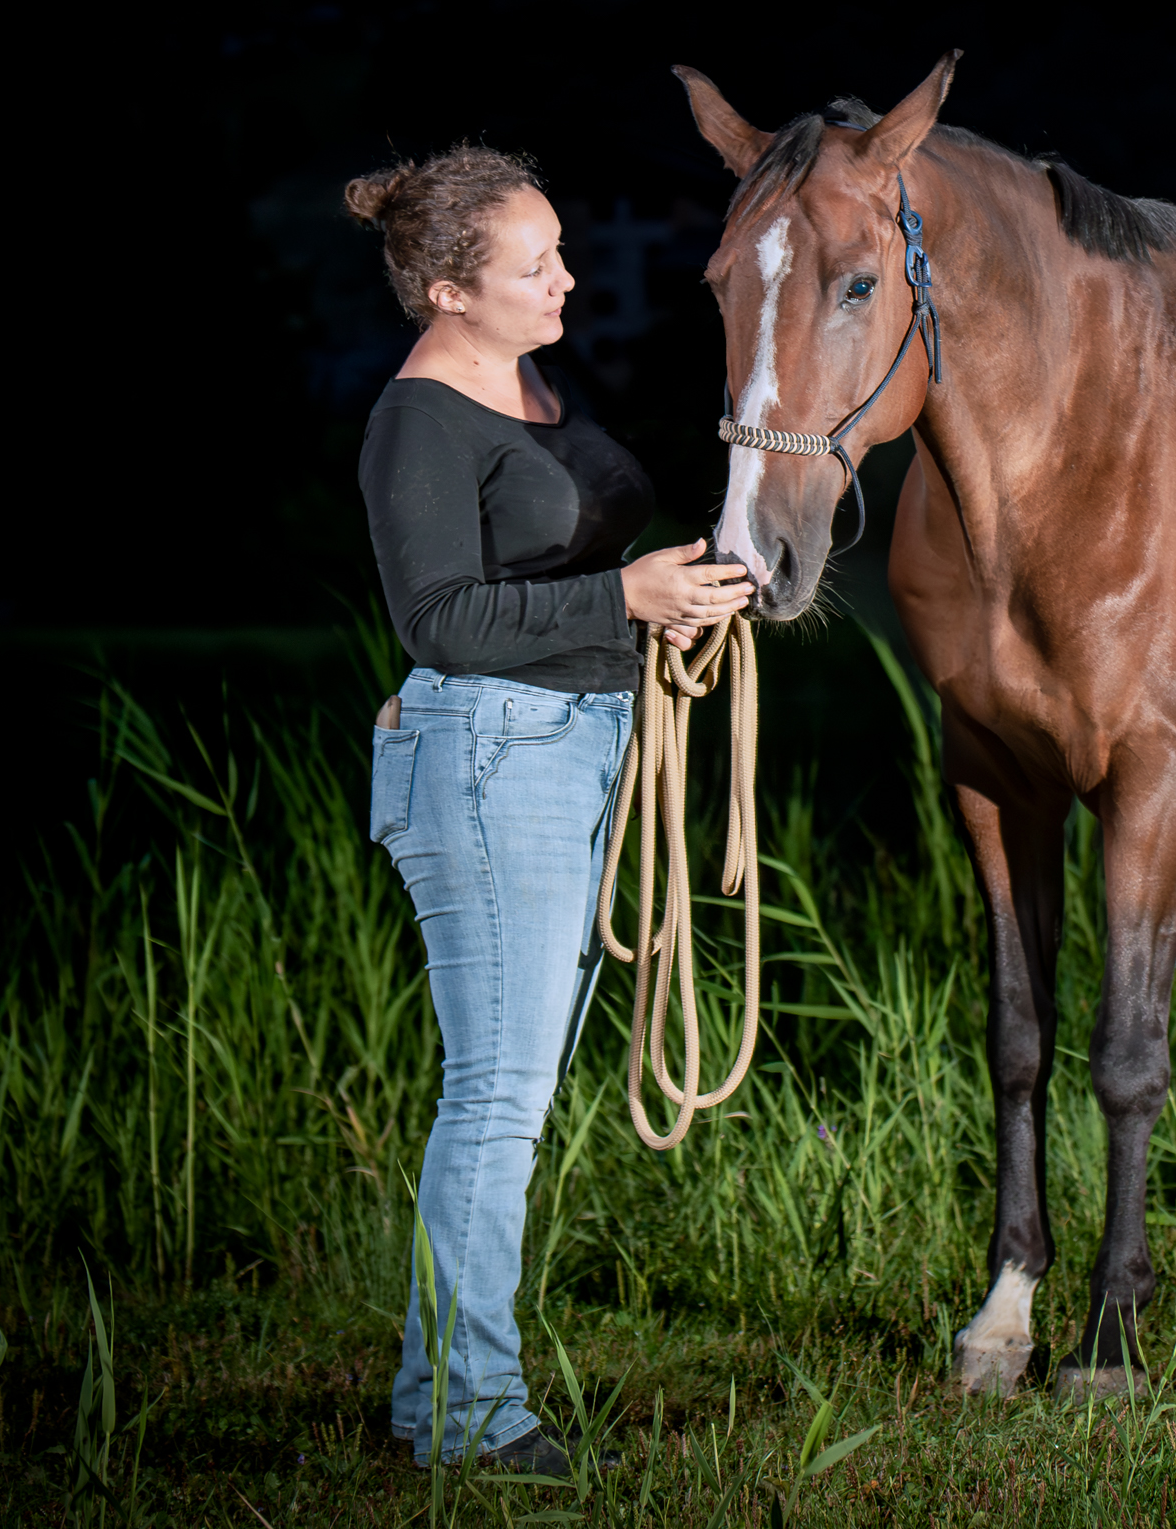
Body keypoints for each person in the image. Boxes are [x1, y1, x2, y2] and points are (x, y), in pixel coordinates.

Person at [344, 143, 751, 1472]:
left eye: (561, 251)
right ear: (453, 291)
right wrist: (619, 603)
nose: (568, 276)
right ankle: (471, 1418)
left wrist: (694, 577)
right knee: (497, 1099)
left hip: (565, 744)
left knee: (504, 1091)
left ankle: (436, 1399)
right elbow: (439, 618)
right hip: (485, 754)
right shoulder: (418, 422)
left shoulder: (527, 386)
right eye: (537, 263)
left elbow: (596, 544)